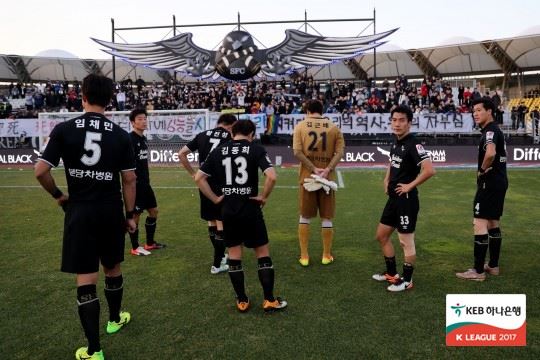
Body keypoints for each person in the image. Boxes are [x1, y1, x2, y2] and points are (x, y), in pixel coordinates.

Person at [34, 74, 136, 360]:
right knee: (112, 267)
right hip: (110, 209)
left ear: (83, 95)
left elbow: (41, 171)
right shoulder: (120, 134)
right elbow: (129, 180)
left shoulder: (65, 129)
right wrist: (130, 215)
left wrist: (59, 196)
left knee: (86, 278)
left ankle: (94, 350)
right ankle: (115, 320)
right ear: (110, 98)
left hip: (80, 210)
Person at [194, 120, 287, 312]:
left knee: (234, 255)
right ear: (251, 133)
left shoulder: (219, 150)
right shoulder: (255, 149)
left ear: (232, 133)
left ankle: (242, 301)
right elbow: (272, 176)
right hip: (250, 207)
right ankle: (269, 300)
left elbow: (199, 178)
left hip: (228, 209)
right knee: (262, 253)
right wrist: (263, 197)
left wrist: (215, 198)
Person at [372, 105, 436, 292]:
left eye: (401, 120)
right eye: (394, 120)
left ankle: (407, 281)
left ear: (409, 122)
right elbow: (392, 163)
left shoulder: (414, 144)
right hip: (393, 199)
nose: (397, 124)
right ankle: (392, 274)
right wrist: (386, 179)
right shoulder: (395, 142)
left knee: (405, 241)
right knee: (382, 236)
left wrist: (409, 185)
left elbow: (430, 170)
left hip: (407, 200)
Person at [456, 97, 508, 281]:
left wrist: (481, 170)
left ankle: (477, 271)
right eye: (474, 111)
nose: (475, 114)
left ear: (489, 111)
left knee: (479, 223)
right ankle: (493, 266)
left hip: (490, 182)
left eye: (479, 110)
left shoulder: (489, 132)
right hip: (500, 181)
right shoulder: (494, 130)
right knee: (493, 222)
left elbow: (491, 153)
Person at [178, 113, 237, 274]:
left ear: (218, 123)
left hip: (203, 181)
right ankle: (217, 264)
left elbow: (181, 153)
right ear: (231, 126)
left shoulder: (202, 134)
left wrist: (192, 174)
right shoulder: (231, 137)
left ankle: (220, 257)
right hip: (221, 182)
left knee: (211, 221)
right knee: (221, 223)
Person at [292, 99, 345, 266]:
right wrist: (327, 168)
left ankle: (304, 256)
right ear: (322, 111)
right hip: (327, 180)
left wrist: (313, 168)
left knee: (305, 216)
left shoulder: (300, 126)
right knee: (327, 217)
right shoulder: (333, 127)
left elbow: (297, 151)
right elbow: (340, 152)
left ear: (307, 110)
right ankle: (326, 255)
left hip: (308, 178)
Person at [128, 108, 166, 256]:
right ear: (132, 122)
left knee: (154, 211)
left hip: (145, 184)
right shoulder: (130, 139)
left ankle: (149, 243)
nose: (144, 121)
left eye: (145, 118)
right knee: (136, 215)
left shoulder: (143, 139)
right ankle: (135, 247)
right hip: (135, 185)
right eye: (140, 119)